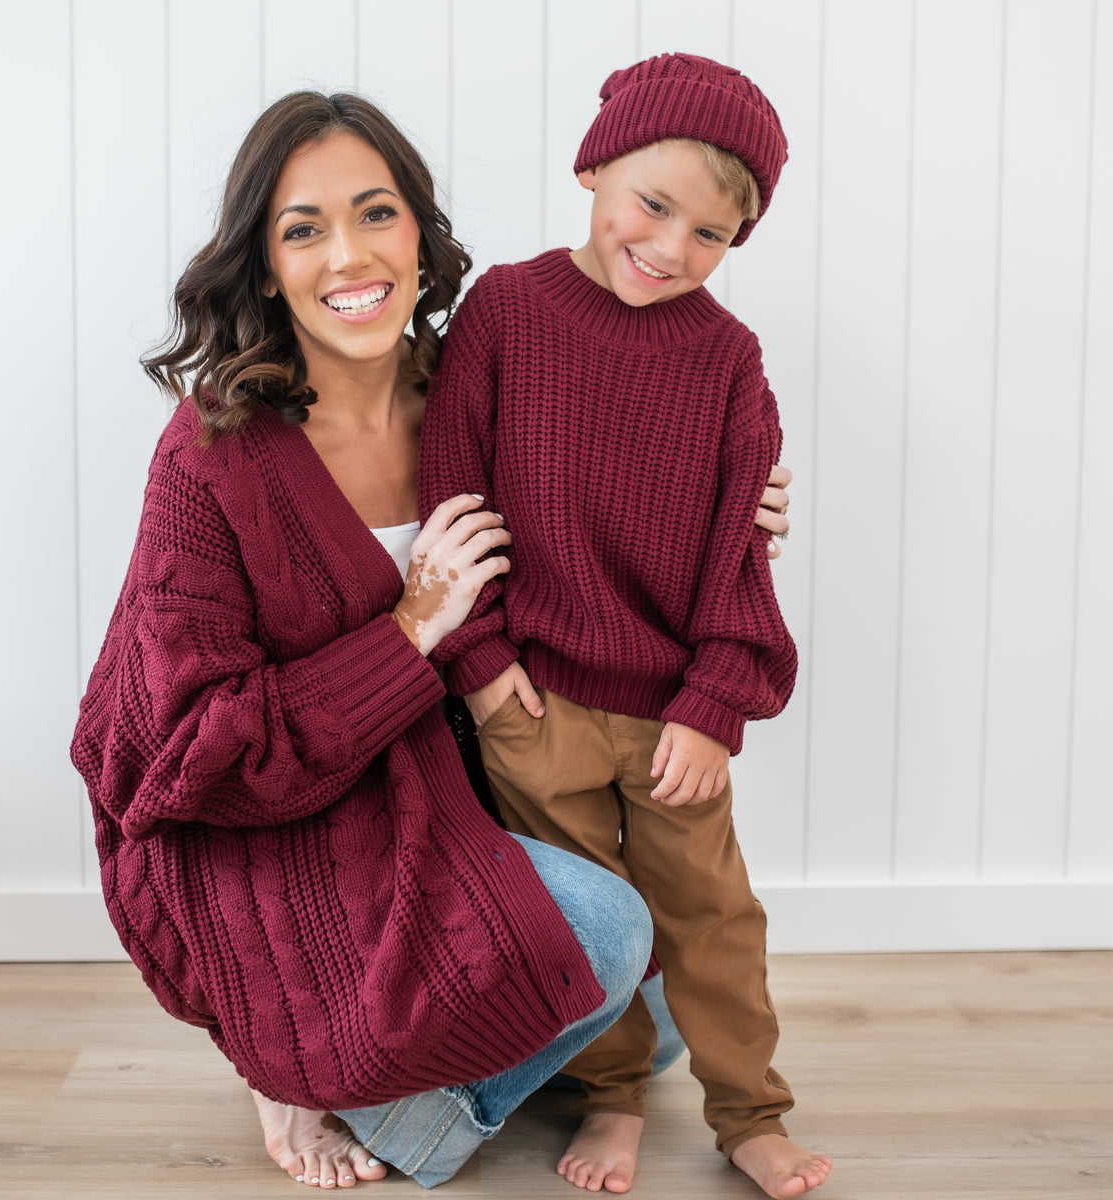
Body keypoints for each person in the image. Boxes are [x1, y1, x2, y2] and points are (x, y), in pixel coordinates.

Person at [70, 88, 793, 1192]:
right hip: (292, 830)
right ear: (264, 264)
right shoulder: (215, 456)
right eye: (303, 229)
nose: (349, 255)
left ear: (420, 230)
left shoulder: (477, 378)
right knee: (606, 929)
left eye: (377, 213)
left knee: (661, 982)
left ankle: (435, 1037)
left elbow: (626, 464)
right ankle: (328, 1078)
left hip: (453, 802)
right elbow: (187, 746)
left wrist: (735, 506)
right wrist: (412, 632)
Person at [418, 55, 831, 1198]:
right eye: (653, 204)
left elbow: (736, 553)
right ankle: (612, 1100)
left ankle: (751, 1112)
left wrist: (712, 709)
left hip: (671, 718)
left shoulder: (729, 363)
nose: (670, 245)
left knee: (712, 917)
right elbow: (455, 494)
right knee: (585, 923)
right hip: (531, 699)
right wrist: (486, 668)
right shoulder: (504, 308)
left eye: (710, 234)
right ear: (594, 166)